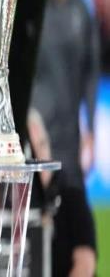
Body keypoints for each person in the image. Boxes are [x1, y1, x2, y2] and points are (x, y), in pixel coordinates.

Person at [30, 0, 99, 276]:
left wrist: (90, 127)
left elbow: (91, 71)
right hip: (37, 152)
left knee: (84, 251)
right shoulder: (30, 7)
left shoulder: (81, 6)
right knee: (42, 250)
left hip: (70, 151)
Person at [28, 108, 97, 277]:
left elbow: (85, 264)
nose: (39, 157)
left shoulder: (72, 196)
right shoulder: (18, 203)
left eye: (42, 145)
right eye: (33, 150)